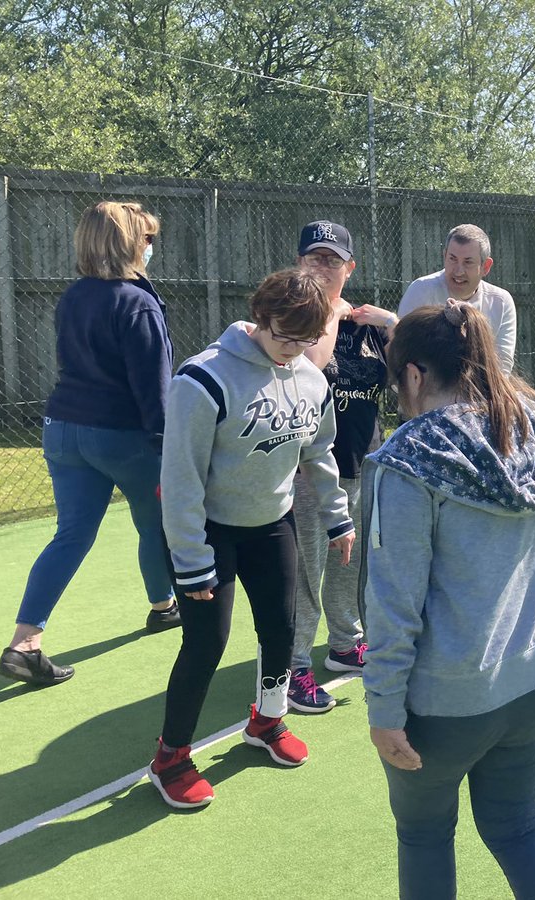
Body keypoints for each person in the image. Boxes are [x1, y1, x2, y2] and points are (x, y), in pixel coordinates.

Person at [362, 304, 535, 899]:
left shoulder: (407, 460)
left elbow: (393, 600)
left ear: (411, 375)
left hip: (447, 699)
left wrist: (382, 707)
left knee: (425, 836)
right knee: (518, 823)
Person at [149, 268, 354, 809]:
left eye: (307, 340)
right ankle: (170, 757)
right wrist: (191, 558)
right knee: (206, 644)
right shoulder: (203, 379)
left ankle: (267, 721)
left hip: (273, 524)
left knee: (280, 630)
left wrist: (339, 517)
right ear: (261, 318)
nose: (294, 350)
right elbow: (180, 479)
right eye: (285, 336)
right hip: (210, 533)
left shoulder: (311, 379)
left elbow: (319, 453)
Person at [0, 201, 177, 689]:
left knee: (71, 534)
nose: (152, 247)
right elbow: (154, 385)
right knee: (155, 523)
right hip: (120, 435)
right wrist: (167, 445)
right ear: (132, 243)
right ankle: (164, 607)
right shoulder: (138, 302)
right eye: (148, 238)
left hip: (62, 428)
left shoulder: (74, 296)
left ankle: (24, 642)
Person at [287, 221, 396, 713]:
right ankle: (292, 668)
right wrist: (329, 312)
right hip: (308, 469)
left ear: (350, 268)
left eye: (333, 260)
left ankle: (344, 644)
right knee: (305, 571)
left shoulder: (367, 325)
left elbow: (408, 380)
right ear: (299, 264)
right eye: (314, 258)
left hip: (360, 460)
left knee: (347, 565)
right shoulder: (292, 318)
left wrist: (391, 325)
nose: (322, 267)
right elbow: (311, 364)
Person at [398, 224, 516, 373]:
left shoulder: (501, 302)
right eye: (452, 259)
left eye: (468, 262)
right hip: (425, 391)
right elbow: (401, 354)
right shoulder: (421, 291)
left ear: (486, 266)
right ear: (444, 256)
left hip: (481, 392)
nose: (458, 271)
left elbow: (502, 367)